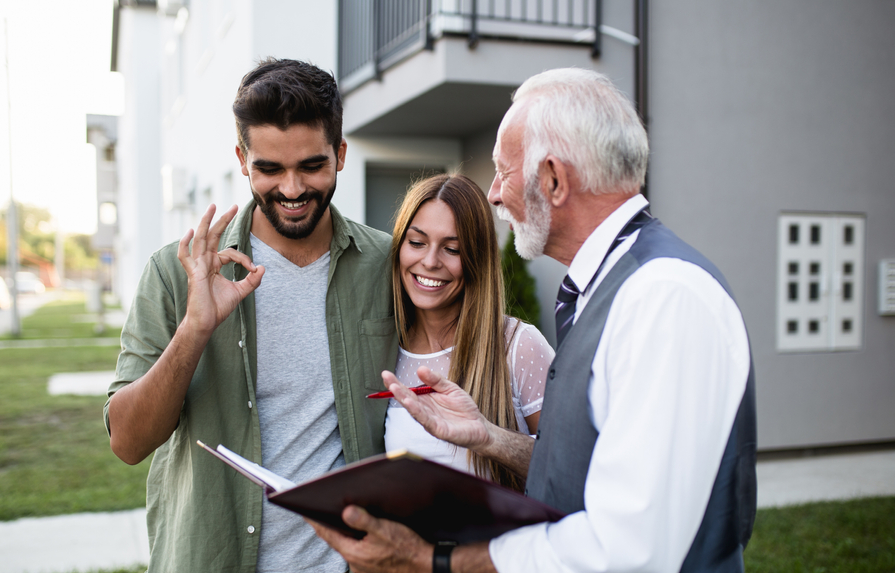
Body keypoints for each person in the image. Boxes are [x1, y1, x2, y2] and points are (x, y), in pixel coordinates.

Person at [310, 67, 756, 573]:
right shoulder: (610, 292)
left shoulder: (662, 297)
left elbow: (626, 547)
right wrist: (486, 436)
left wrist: (434, 561)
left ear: (552, 179)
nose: (495, 194)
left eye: (503, 171)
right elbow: (588, 477)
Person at [104, 58, 397, 573]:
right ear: (242, 160)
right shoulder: (175, 273)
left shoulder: (386, 265)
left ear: (341, 155)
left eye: (311, 166)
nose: (291, 189)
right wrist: (196, 328)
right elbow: (127, 443)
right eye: (269, 169)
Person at [383, 174, 554, 490]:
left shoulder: (518, 345)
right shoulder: (385, 347)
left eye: (452, 249)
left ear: (476, 258)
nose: (430, 261)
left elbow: (572, 470)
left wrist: (492, 439)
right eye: (417, 243)